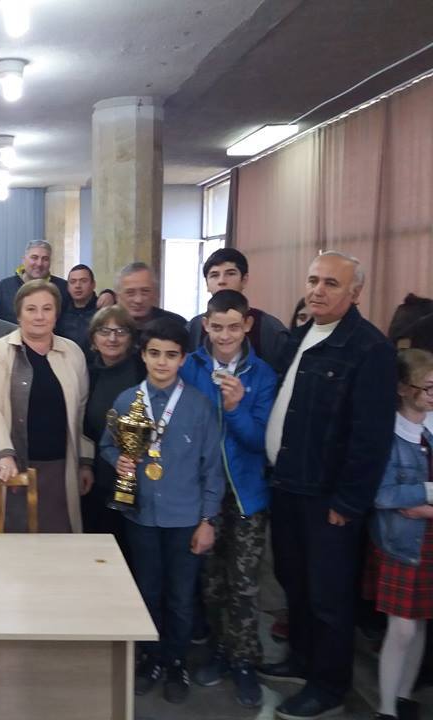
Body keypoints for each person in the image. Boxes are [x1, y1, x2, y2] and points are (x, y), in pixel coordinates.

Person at [261, 251, 397, 719]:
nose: (317, 290)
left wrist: (349, 501)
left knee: (329, 596)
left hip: (328, 498)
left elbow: (371, 437)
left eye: (331, 283)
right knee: (294, 581)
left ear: (355, 293)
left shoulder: (369, 349)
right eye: (313, 280)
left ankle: (329, 686)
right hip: (287, 484)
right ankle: (301, 659)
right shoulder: (300, 335)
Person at [99, 318, 224, 704]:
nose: (162, 362)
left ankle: (176, 662)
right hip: (141, 516)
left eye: (171, 355)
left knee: (181, 597)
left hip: (185, 518)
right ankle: (150, 658)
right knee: (147, 590)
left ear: (183, 359)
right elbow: (107, 445)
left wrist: (208, 520)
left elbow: (212, 468)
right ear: (143, 355)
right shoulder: (126, 401)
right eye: (154, 353)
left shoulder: (200, 407)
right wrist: (118, 460)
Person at [178, 290, 277, 707]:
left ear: (247, 325)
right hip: (203, 493)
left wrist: (235, 408)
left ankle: (244, 661)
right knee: (212, 581)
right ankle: (221, 651)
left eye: (233, 327)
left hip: (246, 494)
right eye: (216, 327)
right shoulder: (190, 366)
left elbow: (261, 442)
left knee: (244, 584)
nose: (224, 336)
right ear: (205, 324)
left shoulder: (262, 374)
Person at [0, 279, 93, 532]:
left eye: (47, 308)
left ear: (56, 314)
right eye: (31, 309)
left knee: (59, 539)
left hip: (61, 469)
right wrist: (4, 454)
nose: (39, 316)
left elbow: (81, 411)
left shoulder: (73, 353)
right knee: (15, 540)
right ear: (19, 314)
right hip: (13, 468)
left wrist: (85, 461)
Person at [369, 349, 433, 720]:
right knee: (403, 629)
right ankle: (386, 708)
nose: (432, 395)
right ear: (403, 388)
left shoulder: (430, 429)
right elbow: (383, 495)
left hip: (426, 538)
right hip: (403, 541)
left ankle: (405, 696)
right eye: (427, 388)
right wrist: (426, 493)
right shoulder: (390, 435)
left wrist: (423, 505)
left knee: (420, 621)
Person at [81, 305, 145, 540]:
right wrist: (85, 464)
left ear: (131, 338)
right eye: (104, 331)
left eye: (121, 332)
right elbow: (83, 426)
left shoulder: (143, 371)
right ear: (93, 339)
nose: (112, 339)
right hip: (98, 476)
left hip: (140, 476)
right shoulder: (88, 374)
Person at [185, 249, 289, 365]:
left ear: (244, 280)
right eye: (214, 275)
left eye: (230, 274)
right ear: (207, 284)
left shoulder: (269, 328)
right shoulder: (194, 327)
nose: (221, 281)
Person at [0, 240, 69, 324]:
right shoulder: (2, 289)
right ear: (24, 260)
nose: (39, 263)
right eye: (34, 258)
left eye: (45, 259)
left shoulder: (63, 289)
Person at [116, 262, 186, 329]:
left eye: (145, 291)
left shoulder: (176, 324)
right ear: (118, 296)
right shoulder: (110, 327)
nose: (138, 300)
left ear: (156, 293)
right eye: (130, 293)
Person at [57, 264, 99, 349]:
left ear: (93, 284)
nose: (78, 286)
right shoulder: (61, 313)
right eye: (73, 282)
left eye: (83, 281)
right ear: (68, 287)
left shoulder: (102, 312)